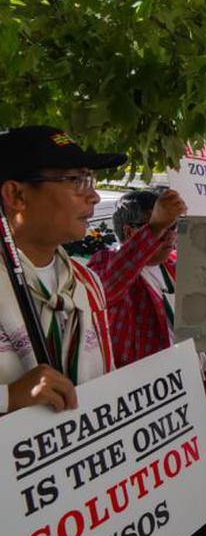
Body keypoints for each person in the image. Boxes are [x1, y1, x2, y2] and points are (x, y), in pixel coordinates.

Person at [0, 126, 127, 414]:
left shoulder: (86, 283)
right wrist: (9, 397)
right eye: (77, 181)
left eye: (90, 180)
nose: (93, 196)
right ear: (16, 195)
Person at [87, 187, 187, 368]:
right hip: (140, 386)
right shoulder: (105, 263)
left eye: (173, 226)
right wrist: (154, 229)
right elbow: (107, 288)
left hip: (183, 379)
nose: (171, 235)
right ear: (129, 231)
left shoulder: (173, 265)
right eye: (162, 227)